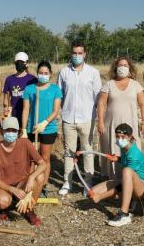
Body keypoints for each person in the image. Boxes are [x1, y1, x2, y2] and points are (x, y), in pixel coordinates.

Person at [57, 41, 102, 196]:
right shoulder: (64, 72)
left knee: (87, 151)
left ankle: (87, 182)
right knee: (69, 151)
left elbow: (98, 98)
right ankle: (67, 182)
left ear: (85, 54)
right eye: (74, 53)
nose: (77, 56)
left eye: (80, 53)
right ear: (71, 54)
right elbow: (60, 95)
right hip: (68, 118)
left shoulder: (93, 73)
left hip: (87, 118)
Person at [97, 57, 144, 180]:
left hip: (131, 124)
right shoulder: (108, 84)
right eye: (120, 65)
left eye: (125, 65)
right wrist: (100, 122)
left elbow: (142, 104)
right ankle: (112, 178)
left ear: (129, 68)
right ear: (116, 67)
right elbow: (101, 104)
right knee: (112, 149)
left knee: (130, 149)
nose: (123, 67)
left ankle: (133, 179)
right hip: (111, 124)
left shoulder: (136, 85)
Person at [89, 124, 144, 227]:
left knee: (126, 171)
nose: (119, 139)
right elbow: (126, 162)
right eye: (117, 136)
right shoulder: (125, 148)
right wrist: (118, 159)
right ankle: (130, 202)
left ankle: (124, 214)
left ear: (129, 137)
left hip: (142, 191)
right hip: (130, 183)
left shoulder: (134, 153)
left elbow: (122, 185)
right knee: (93, 192)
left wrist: (101, 197)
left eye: (123, 137)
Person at [0, 117, 46, 226]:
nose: (11, 133)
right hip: (4, 186)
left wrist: (31, 177)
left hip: (22, 183)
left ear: (18, 132)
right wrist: (12, 189)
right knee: (3, 201)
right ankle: (2, 210)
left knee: (39, 177)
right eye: (8, 130)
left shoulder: (25, 143)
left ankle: (28, 208)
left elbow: (42, 164)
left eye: (14, 131)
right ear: (2, 131)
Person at [21, 61, 62, 195]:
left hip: (48, 128)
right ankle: (30, 183)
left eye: (46, 73)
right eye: (41, 73)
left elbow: (56, 111)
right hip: (32, 128)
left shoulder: (55, 89)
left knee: (45, 158)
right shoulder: (30, 88)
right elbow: (26, 109)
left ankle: (43, 185)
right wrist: (23, 130)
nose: (43, 75)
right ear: (37, 73)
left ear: (50, 75)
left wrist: (44, 123)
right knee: (31, 158)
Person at [3, 52, 37, 127]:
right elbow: (6, 98)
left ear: (27, 63)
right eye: (18, 62)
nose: (19, 64)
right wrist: (6, 110)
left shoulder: (33, 79)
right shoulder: (9, 79)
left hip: (29, 115)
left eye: (22, 62)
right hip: (14, 115)